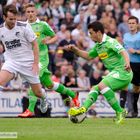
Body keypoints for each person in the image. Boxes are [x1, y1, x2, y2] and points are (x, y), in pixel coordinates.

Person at [18, 3, 79, 118]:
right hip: (29, 59)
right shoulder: (22, 26)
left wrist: (48, 42)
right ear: (25, 13)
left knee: (34, 79)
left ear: (36, 12)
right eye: (28, 12)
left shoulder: (42, 25)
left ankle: (30, 109)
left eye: (32, 11)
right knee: (50, 84)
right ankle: (73, 94)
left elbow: (55, 36)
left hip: (42, 58)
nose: (30, 14)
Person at [66, 21, 133, 124]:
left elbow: (123, 51)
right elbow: (88, 56)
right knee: (94, 88)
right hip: (115, 73)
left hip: (123, 72)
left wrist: (127, 63)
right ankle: (83, 109)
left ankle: (120, 111)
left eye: (91, 33)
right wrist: (75, 50)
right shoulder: (98, 46)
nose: (90, 35)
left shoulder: (110, 42)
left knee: (102, 85)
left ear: (98, 32)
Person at [0, 4, 48, 113]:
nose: (13, 21)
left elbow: (35, 45)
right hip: (11, 62)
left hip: (28, 63)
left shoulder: (24, 27)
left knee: (37, 93)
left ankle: (44, 98)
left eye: (15, 18)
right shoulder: (1, 30)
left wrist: (35, 64)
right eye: (10, 19)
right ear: (4, 17)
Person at [123, 16, 140, 117]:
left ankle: (134, 110)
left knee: (137, 89)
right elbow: (123, 49)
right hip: (128, 64)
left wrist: (136, 51)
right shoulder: (125, 36)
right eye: (129, 23)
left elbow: (133, 50)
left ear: (137, 24)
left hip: (139, 65)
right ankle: (129, 111)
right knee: (128, 87)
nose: (131, 25)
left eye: (133, 23)